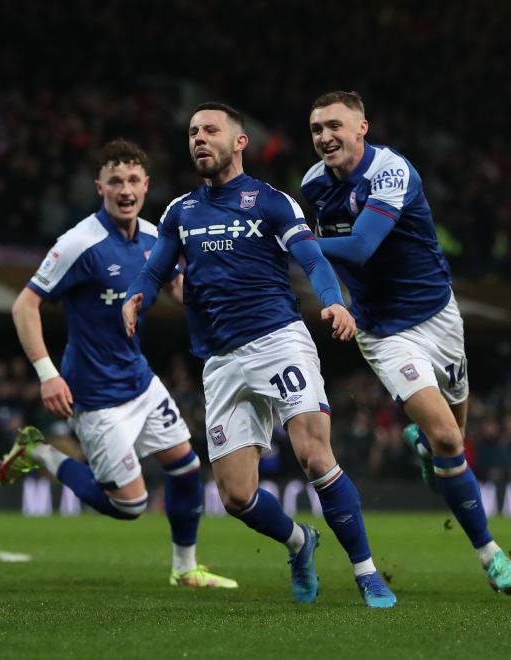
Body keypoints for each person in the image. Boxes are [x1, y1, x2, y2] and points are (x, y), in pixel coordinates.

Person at [122, 102, 397, 608]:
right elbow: (156, 268)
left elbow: (310, 256)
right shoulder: (180, 211)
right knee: (236, 497)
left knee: (315, 455)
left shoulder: (272, 203)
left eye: (210, 130)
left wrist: (334, 301)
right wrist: (137, 293)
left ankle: (367, 573)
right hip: (221, 360)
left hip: (278, 339)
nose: (199, 139)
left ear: (239, 141)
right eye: (192, 132)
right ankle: (300, 542)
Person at [301, 90, 511, 595]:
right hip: (384, 332)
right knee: (450, 440)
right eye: (317, 128)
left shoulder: (391, 172)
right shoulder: (314, 186)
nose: (325, 137)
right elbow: (326, 261)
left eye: (335, 126)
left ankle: (424, 448)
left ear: (363, 127)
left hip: (439, 317)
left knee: (454, 443)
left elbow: (360, 247)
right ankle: (493, 558)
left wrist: (294, 242)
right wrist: (329, 293)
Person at [0, 139, 236, 590]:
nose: (124, 189)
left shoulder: (153, 237)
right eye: (114, 181)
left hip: (140, 380)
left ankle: (185, 569)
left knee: (185, 466)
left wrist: (225, 296)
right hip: (95, 393)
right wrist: (48, 375)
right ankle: (41, 452)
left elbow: (181, 290)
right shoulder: (79, 243)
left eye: (132, 181)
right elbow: (24, 307)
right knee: (129, 506)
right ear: (99, 188)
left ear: (146, 186)